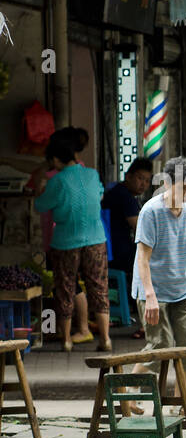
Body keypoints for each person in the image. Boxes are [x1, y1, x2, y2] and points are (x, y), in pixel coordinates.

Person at [121, 157, 186, 415]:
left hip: (184, 289)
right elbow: (142, 258)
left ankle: (179, 405)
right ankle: (128, 393)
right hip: (154, 290)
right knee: (160, 346)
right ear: (167, 183)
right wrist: (149, 296)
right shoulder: (151, 211)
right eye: (183, 186)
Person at [32, 132, 110, 353]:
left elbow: (41, 206)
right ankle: (105, 338)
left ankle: (66, 340)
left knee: (65, 288)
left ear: (56, 160)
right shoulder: (92, 175)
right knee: (99, 287)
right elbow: (100, 195)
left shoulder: (57, 181)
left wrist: (40, 191)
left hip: (66, 241)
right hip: (96, 238)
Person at [104, 157, 152, 276]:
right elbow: (139, 229)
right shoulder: (126, 198)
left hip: (109, 251)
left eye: (147, 180)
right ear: (128, 176)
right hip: (119, 254)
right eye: (140, 178)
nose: (143, 184)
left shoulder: (116, 190)